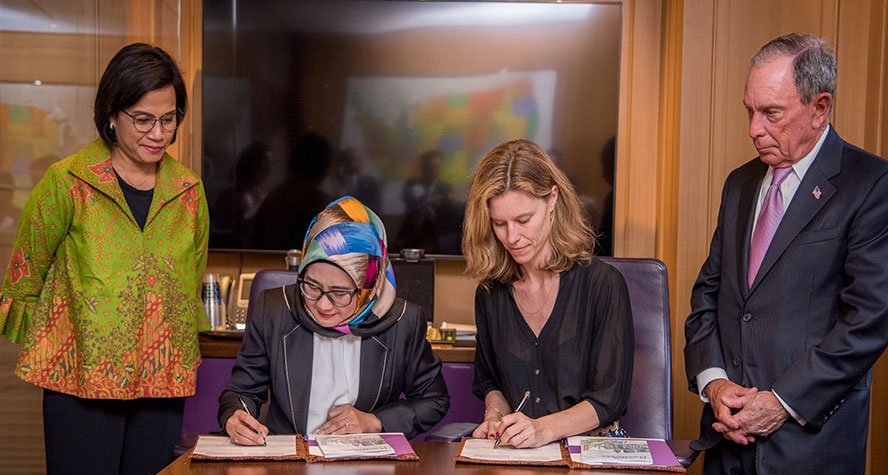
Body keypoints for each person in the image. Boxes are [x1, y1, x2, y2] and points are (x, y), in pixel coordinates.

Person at [684, 33, 888, 475]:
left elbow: (868, 321)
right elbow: (709, 295)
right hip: (728, 450)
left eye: (771, 113)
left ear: (820, 107)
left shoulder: (872, 185)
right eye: (749, 111)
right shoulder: (739, 184)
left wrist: (780, 403)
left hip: (810, 461)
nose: (754, 128)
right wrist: (714, 384)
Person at [0, 43, 209, 475]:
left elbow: (190, 280)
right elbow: (24, 278)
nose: (158, 134)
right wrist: (59, 349)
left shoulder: (188, 191)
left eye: (169, 119)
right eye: (143, 120)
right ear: (111, 115)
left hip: (160, 384)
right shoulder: (67, 182)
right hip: (80, 387)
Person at [219, 196, 450, 442]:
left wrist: (374, 421)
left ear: (368, 286)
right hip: (290, 457)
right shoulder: (275, 309)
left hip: (367, 460)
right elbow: (241, 391)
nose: (323, 305)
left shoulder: (402, 321)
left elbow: (433, 400)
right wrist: (236, 417)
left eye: (339, 293)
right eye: (312, 286)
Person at [462, 139, 633, 449]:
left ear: (552, 199)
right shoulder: (490, 293)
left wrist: (541, 429)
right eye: (499, 223)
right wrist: (495, 415)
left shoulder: (602, 285)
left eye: (523, 220)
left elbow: (608, 400)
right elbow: (491, 382)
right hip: (519, 455)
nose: (512, 237)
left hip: (589, 456)